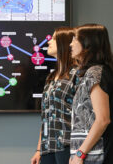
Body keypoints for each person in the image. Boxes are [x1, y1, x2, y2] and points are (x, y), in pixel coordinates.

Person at [69, 24, 113, 164]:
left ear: (88, 43)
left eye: (75, 39)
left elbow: (102, 120)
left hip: (95, 155)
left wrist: (80, 154)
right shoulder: (89, 73)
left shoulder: (96, 73)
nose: (71, 44)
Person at [31, 27, 76, 164]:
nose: (49, 41)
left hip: (68, 144)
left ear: (65, 43)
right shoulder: (50, 77)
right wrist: (39, 149)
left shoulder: (77, 74)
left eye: (55, 38)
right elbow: (46, 116)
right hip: (47, 146)